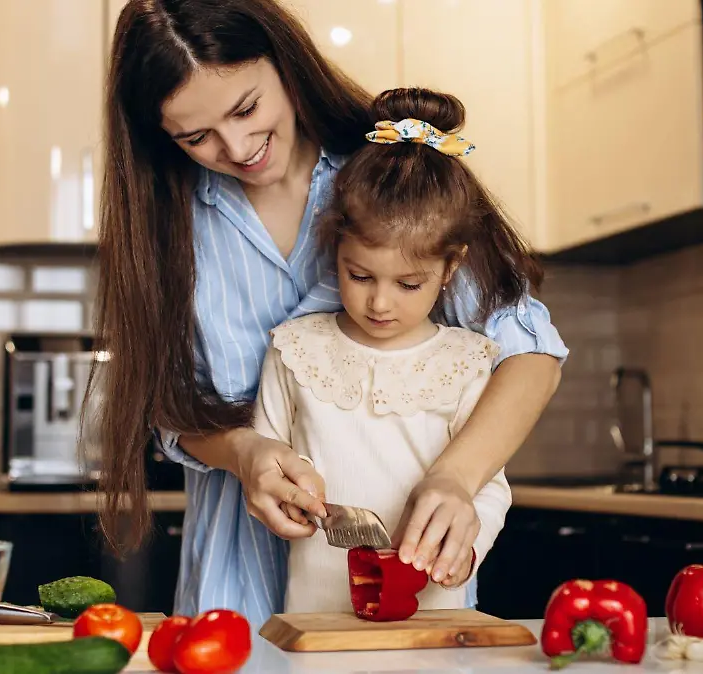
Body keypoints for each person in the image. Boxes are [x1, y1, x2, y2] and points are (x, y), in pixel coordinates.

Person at [88, 0, 569, 629]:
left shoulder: (395, 177)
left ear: (286, 64)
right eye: (196, 136)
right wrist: (244, 452)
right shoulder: (166, 219)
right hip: (231, 585)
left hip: (401, 589)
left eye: (245, 108)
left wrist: (456, 478)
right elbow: (171, 406)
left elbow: (531, 352)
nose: (237, 147)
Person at [253, 87, 518, 614]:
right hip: (315, 614)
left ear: (450, 268)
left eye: (409, 284)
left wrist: (463, 551)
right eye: (359, 275)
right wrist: (286, 498)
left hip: (433, 613)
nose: (379, 302)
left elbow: (491, 489)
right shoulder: (295, 350)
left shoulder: (468, 363)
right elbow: (268, 460)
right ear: (336, 251)